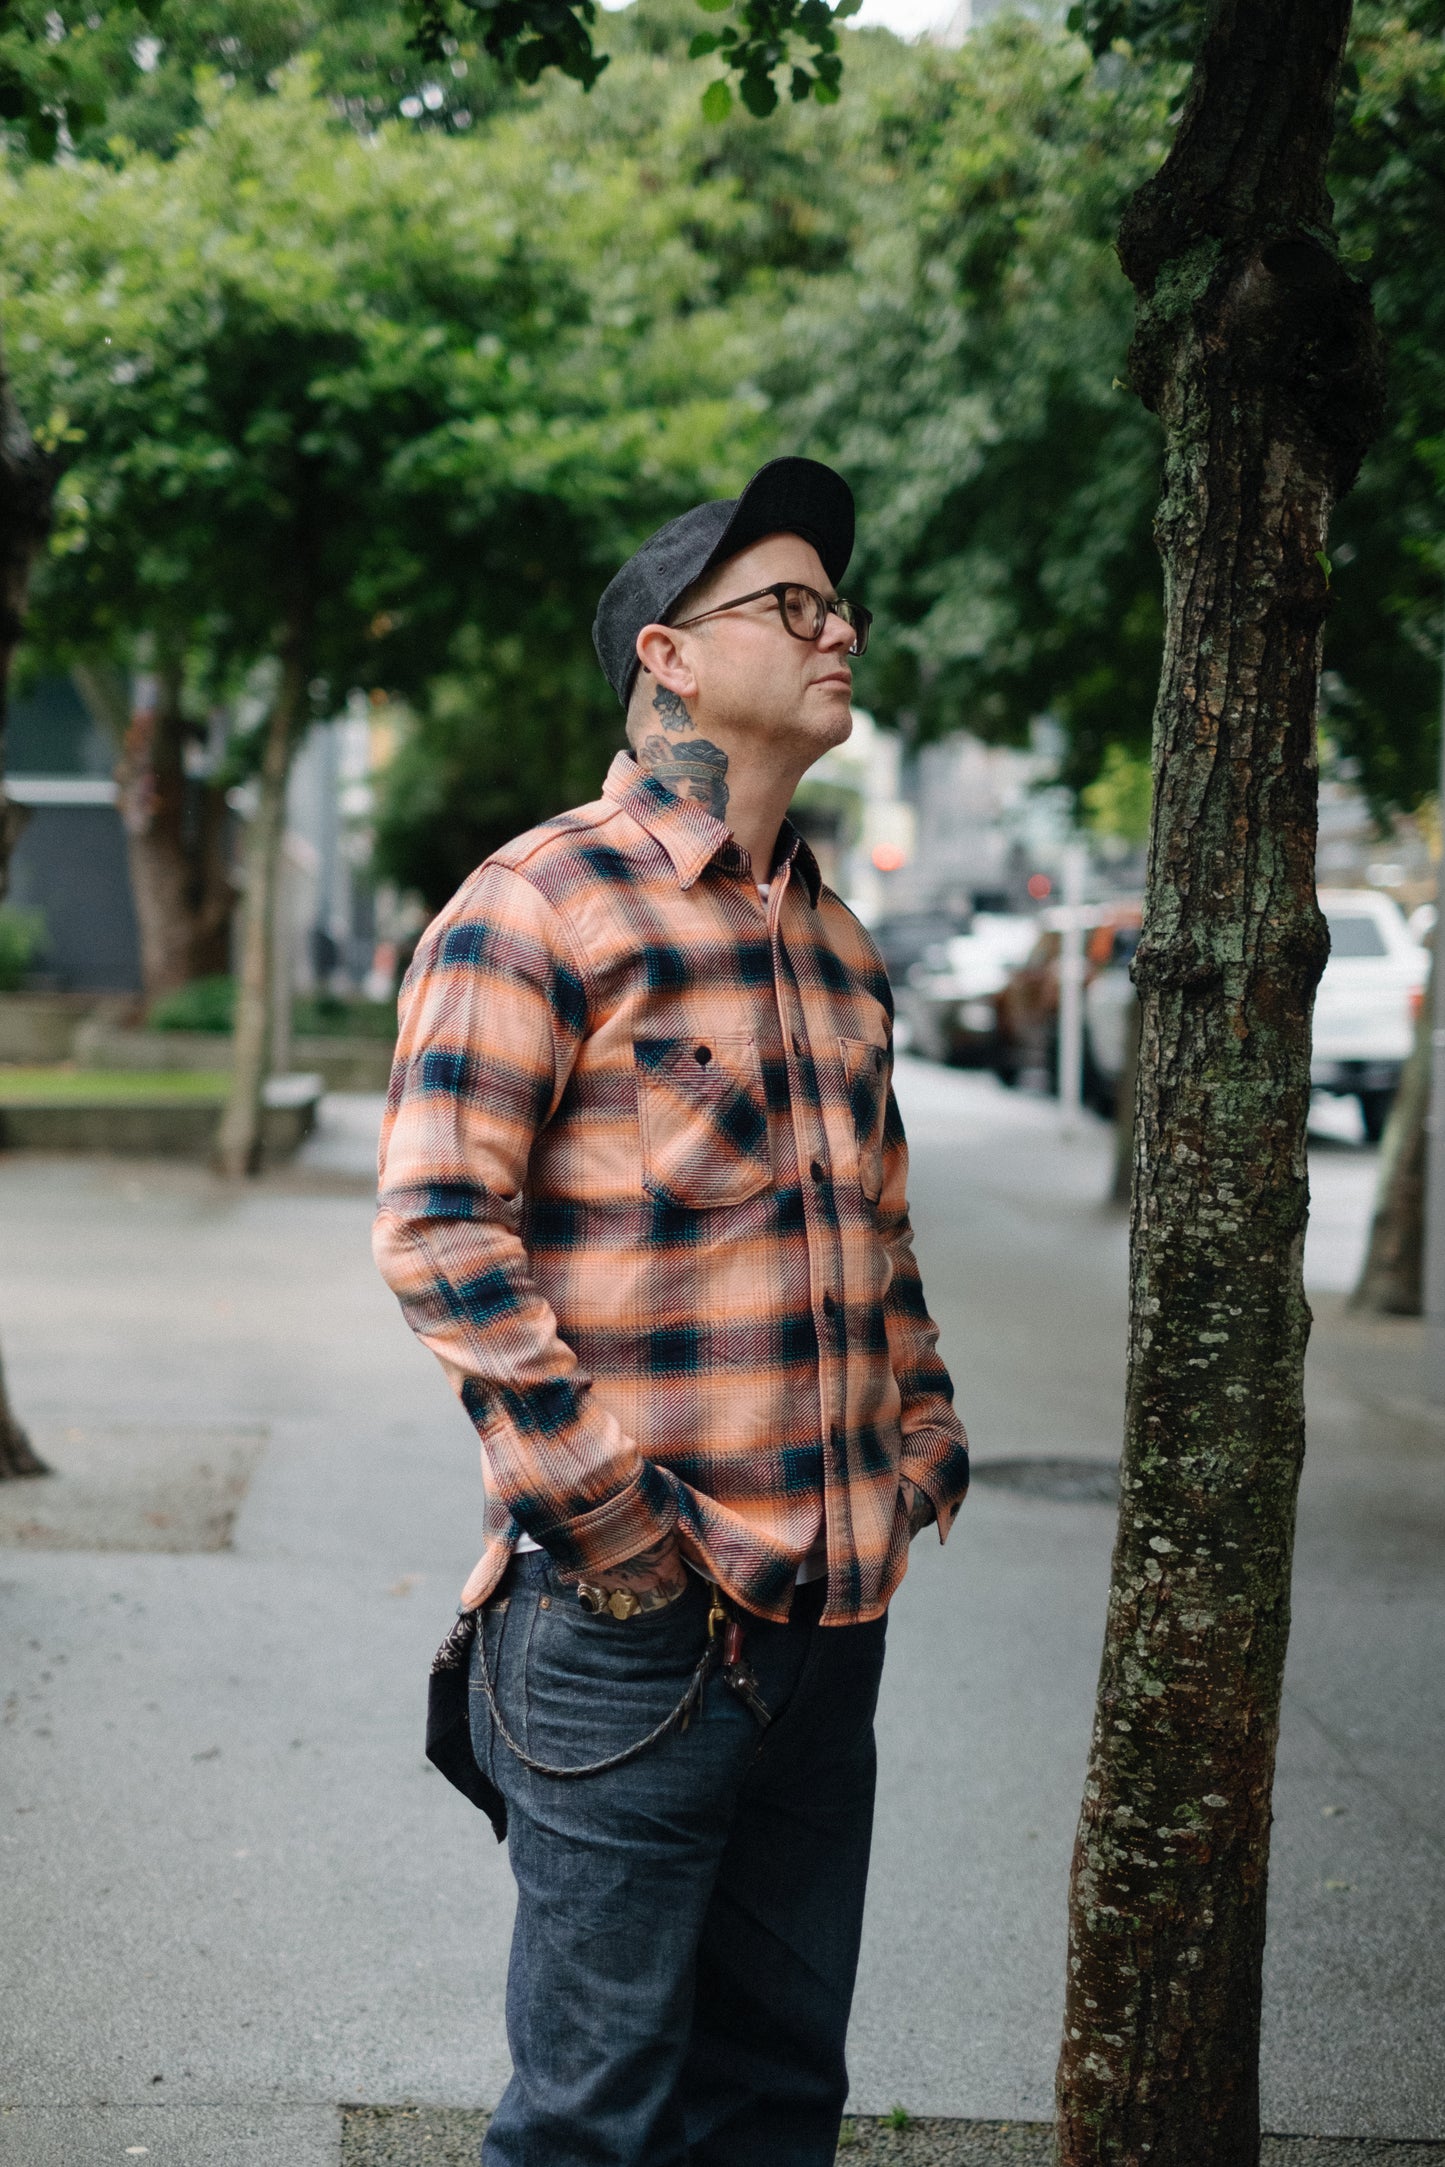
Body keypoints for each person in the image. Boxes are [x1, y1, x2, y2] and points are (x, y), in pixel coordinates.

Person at [374, 456, 970, 2167]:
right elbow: (434, 1228)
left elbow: (878, 1230)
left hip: (828, 1626)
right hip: (630, 1633)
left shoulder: (834, 945)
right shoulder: (540, 902)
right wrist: (611, 1518)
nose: (838, 626)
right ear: (667, 659)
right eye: (791, 603)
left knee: (777, 2102)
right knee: (590, 2120)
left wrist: (919, 1444)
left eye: (838, 604)